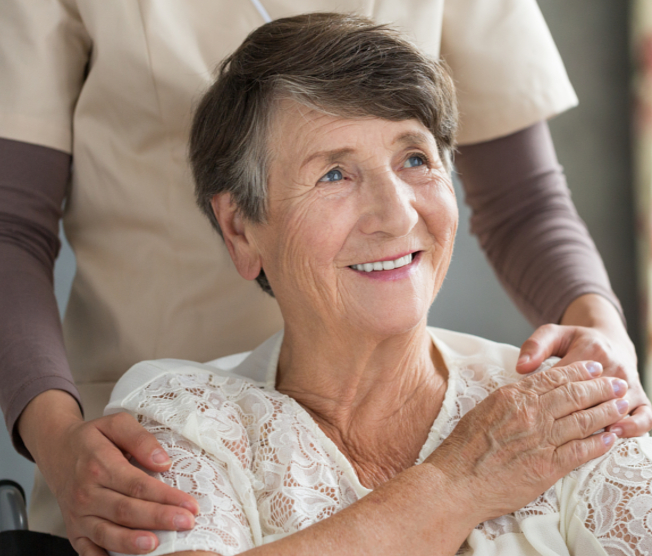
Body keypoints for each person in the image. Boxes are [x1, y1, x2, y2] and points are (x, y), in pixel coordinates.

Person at [0, 1, 646, 555]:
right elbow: (11, 225)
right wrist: (58, 442)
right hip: (135, 433)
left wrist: (604, 341)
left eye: (416, 158)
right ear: (238, 229)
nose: (395, 215)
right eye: (333, 173)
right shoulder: (176, 427)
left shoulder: (534, 420)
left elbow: (523, 201)